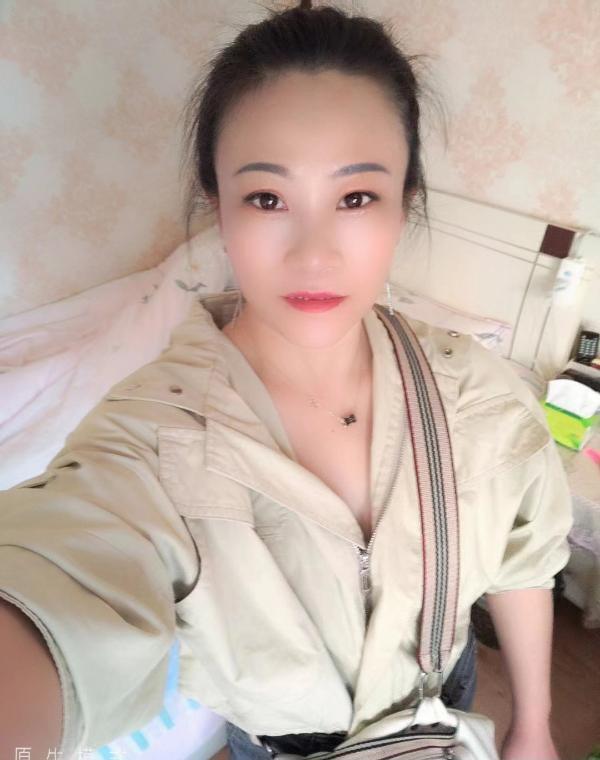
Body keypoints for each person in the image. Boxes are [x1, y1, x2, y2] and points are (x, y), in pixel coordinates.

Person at [0, 3, 572, 760]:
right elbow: (59, 573)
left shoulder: (478, 392)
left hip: (444, 699)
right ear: (219, 208)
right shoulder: (151, 438)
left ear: (404, 205)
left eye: (356, 198)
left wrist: (534, 724)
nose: (314, 255)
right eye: (267, 199)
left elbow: (523, 558)